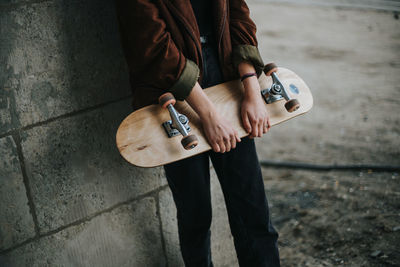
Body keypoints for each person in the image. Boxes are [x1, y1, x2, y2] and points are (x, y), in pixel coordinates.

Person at [114, 0, 280, 266]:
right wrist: (209, 115)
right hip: (169, 89)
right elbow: (153, 46)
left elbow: (238, 14)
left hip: (227, 73)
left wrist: (251, 88)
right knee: (196, 213)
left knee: (253, 208)